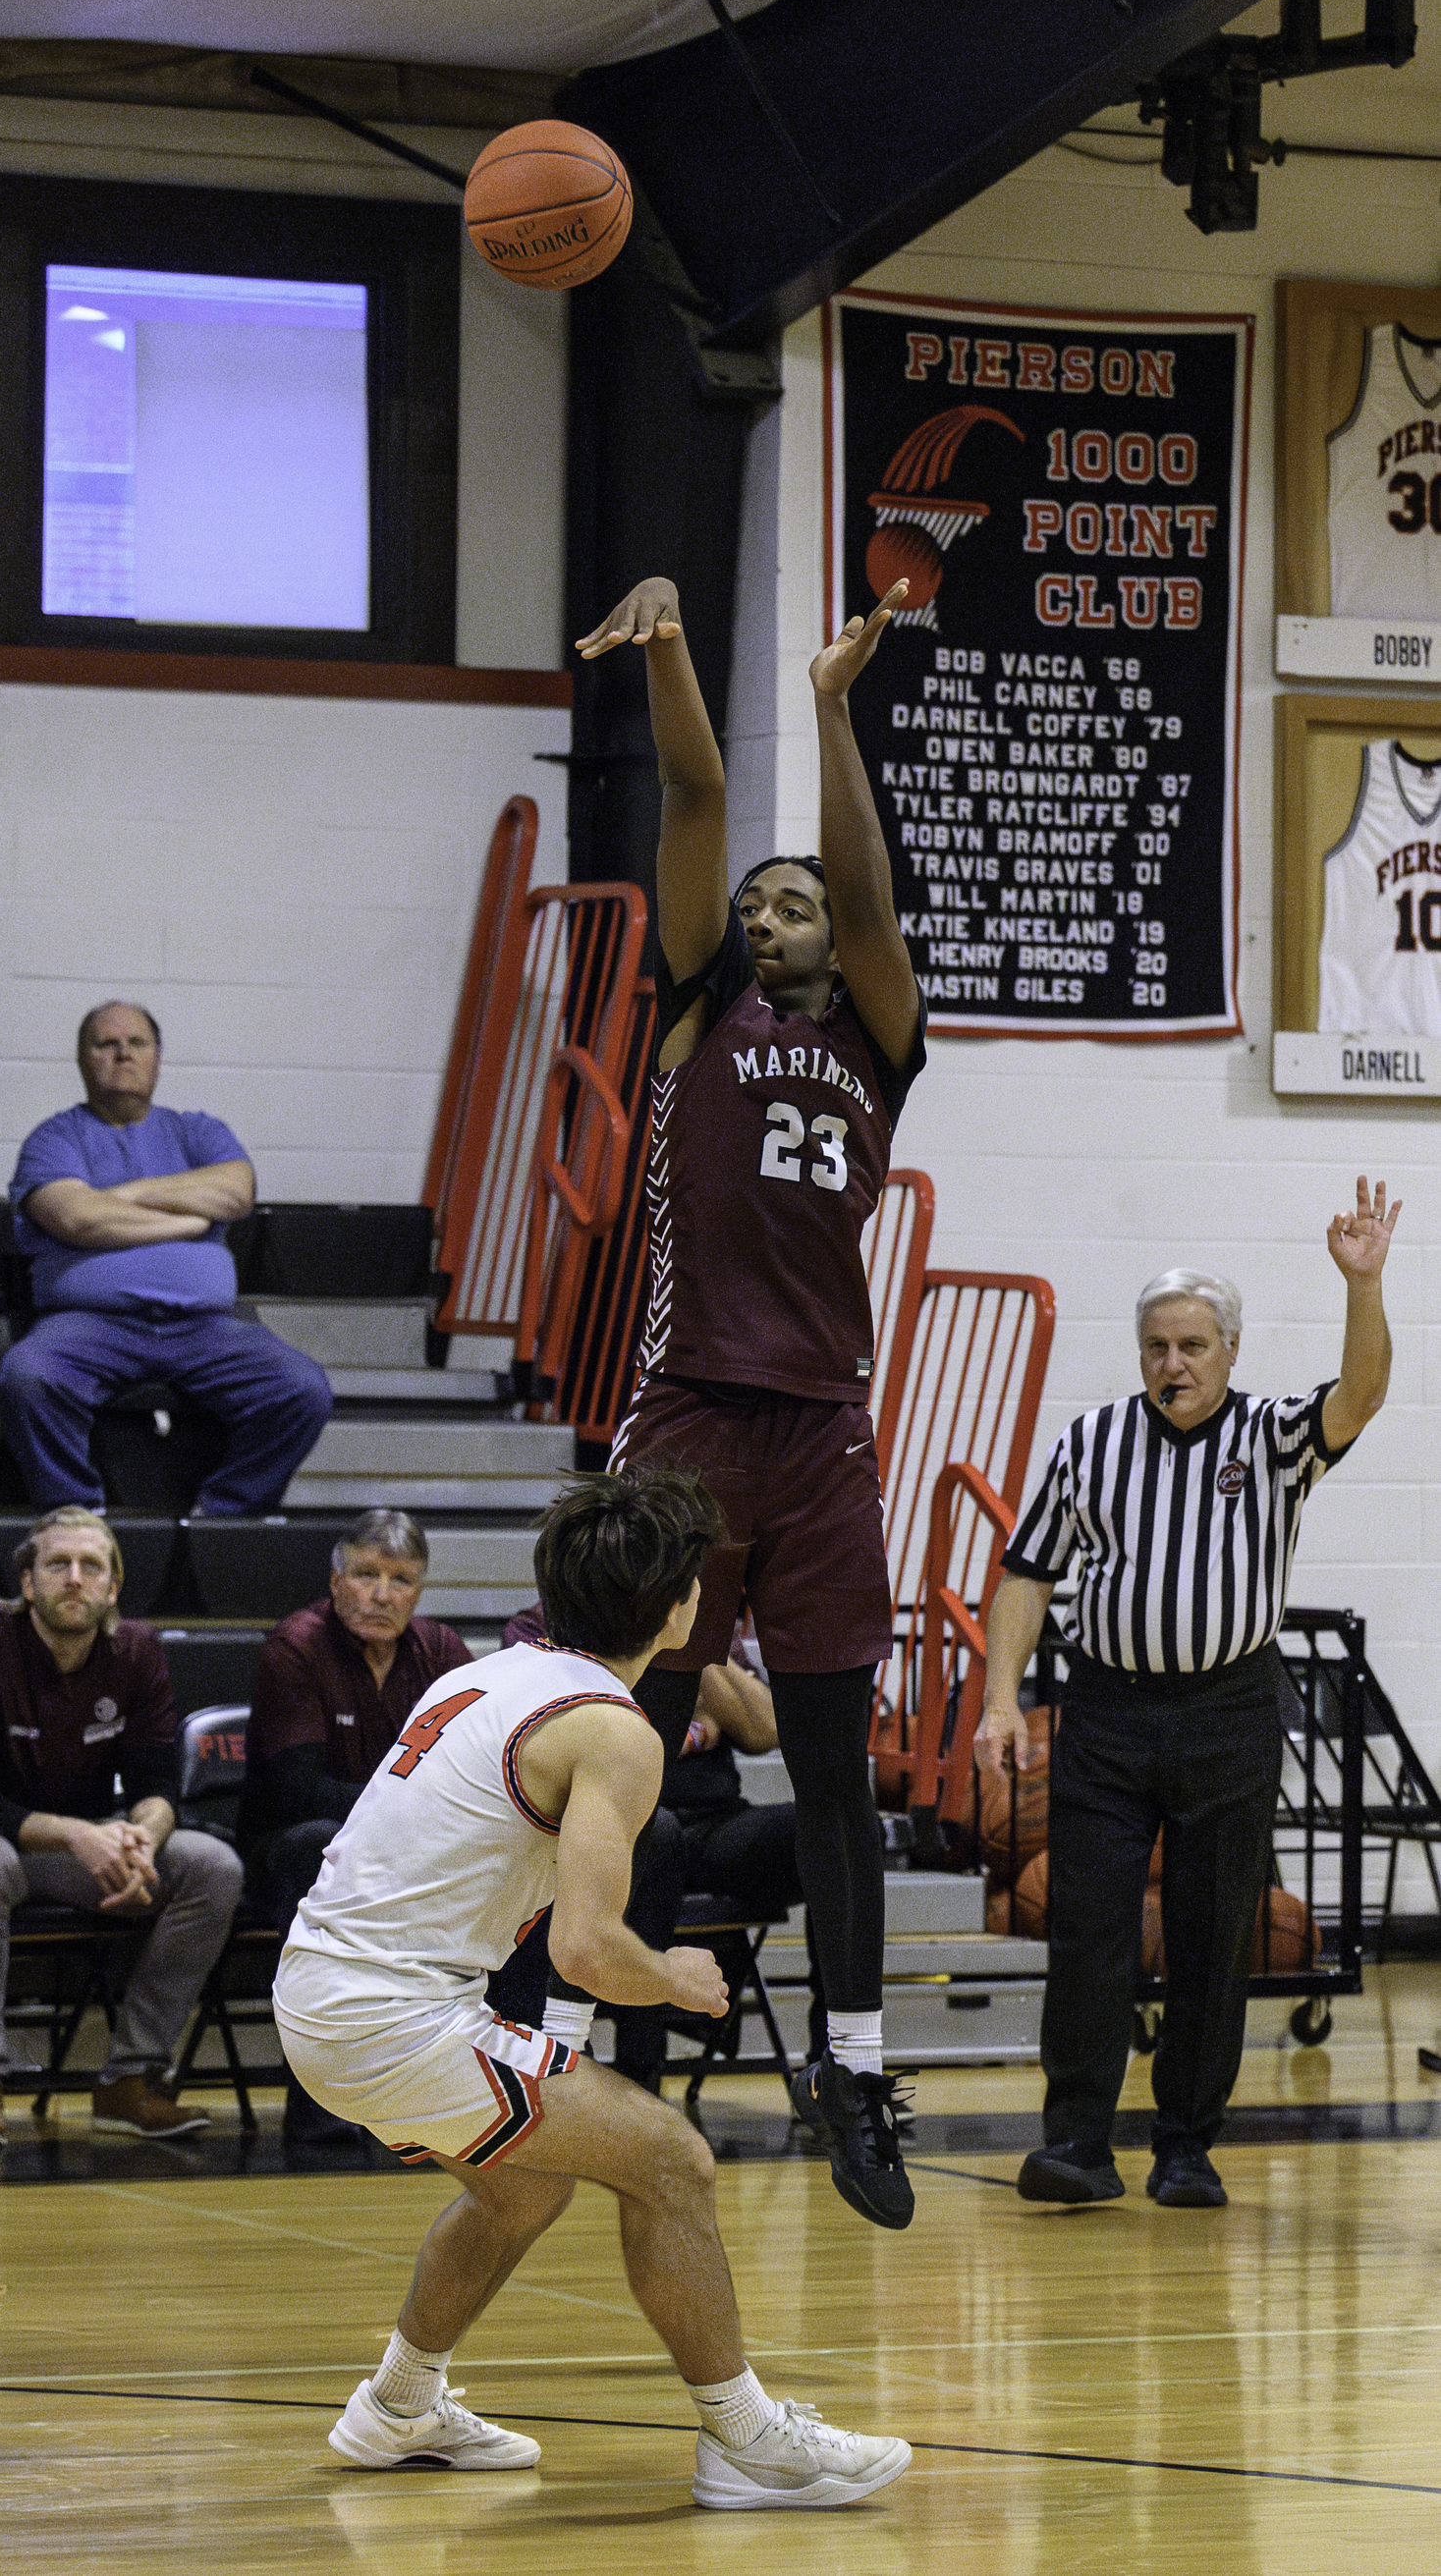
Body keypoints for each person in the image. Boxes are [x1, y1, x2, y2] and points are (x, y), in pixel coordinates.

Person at [272, 1470, 911, 2510]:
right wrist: (673, 1972)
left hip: (323, 1987)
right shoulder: (613, 1727)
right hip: (387, 2012)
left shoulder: (486, 1673)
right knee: (672, 2159)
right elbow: (586, 1949)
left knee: (526, 2182)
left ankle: (396, 2404)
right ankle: (746, 2440)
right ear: (680, 1605)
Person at [570, 573, 925, 2230]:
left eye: (800, 904)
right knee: (623, 1747)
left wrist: (843, 707)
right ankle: (568, 2033)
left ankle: (853, 2062)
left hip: (827, 1433)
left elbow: (867, 898)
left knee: (841, 1773)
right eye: (762, 905)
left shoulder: (882, 1041)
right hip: (695, 1417)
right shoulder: (697, 1016)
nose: (779, 913)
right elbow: (701, 793)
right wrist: (670, 655)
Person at [974, 1178, 1400, 2212]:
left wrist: (1364, 1285)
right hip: (1107, 1712)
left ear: (1231, 1352)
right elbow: (1026, 1571)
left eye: (1193, 1345)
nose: (1174, 1362)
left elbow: (1363, 1394)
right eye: (1158, 1345)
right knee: (1089, 1928)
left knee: (1216, 1932)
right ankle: (1075, 2138)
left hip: (1229, 1711)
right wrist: (997, 1701)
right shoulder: (1090, 1444)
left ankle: (1185, 2144)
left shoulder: (1274, 1438)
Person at [0, 1507, 246, 2145]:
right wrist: (76, 1834)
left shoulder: (137, 1649)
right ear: (28, 1583)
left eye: (91, 1566)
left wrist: (143, 1835)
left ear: (113, 1585)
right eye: (57, 1564)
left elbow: (158, 1786)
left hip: (88, 1845)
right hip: (1, 1841)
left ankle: (130, 2078)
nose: (74, 1578)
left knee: (211, 1865)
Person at [0, 1001, 332, 1514]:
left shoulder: (199, 1132)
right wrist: (185, 1219)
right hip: (90, 1325)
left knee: (303, 1389)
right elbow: (77, 1220)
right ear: (84, 1060)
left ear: (158, 1059)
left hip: (204, 1329)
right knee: (26, 1377)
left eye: (137, 1043)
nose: (123, 1054)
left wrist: (119, 1196)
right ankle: (77, 1522)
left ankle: (225, 1515)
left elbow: (235, 1194)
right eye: (105, 1043)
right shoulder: (55, 1138)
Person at [494, 1607, 826, 2089]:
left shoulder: (696, 1627)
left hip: (714, 1824)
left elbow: (763, 1728)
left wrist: (690, 1640)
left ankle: (832, 2070)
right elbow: (613, 1729)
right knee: (656, 1831)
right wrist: (701, 1725)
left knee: (824, 1831)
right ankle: (637, 2070)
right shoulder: (538, 1624)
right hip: (609, 1827)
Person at [241, 1507, 473, 2145]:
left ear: (418, 1593)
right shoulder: (296, 1646)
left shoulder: (444, 1651)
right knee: (312, 1843)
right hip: (295, 1854)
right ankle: (320, 2108)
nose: (381, 1593)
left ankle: (471, 2092)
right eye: (367, 1573)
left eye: (400, 1579)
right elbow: (297, 1791)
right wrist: (414, 1816)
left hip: (408, 1855)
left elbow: (470, 1773)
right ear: (337, 1579)